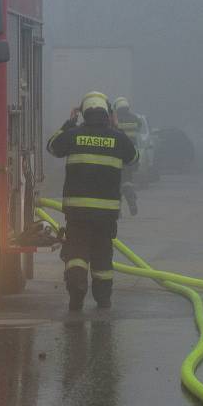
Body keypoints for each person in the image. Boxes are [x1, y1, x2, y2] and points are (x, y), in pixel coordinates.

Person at [47, 91, 138, 311]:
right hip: (106, 215)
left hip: (77, 213)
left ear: (84, 112)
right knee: (102, 256)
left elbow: (52, 147)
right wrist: (117, 128)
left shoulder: (73, 135)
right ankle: (103, 298)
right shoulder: (118, 138)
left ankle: (77, 290)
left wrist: (69, 122)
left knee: (76, 252)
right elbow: (133, 158)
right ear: (108, 114)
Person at [113, 97, 142, 216]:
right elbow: (139, 127)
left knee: (117, 183)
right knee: (128, 180)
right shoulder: (135, 118)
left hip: (118, 154)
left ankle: (117, 210)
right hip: (131, 155)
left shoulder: (116, 119)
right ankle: (132, 201)